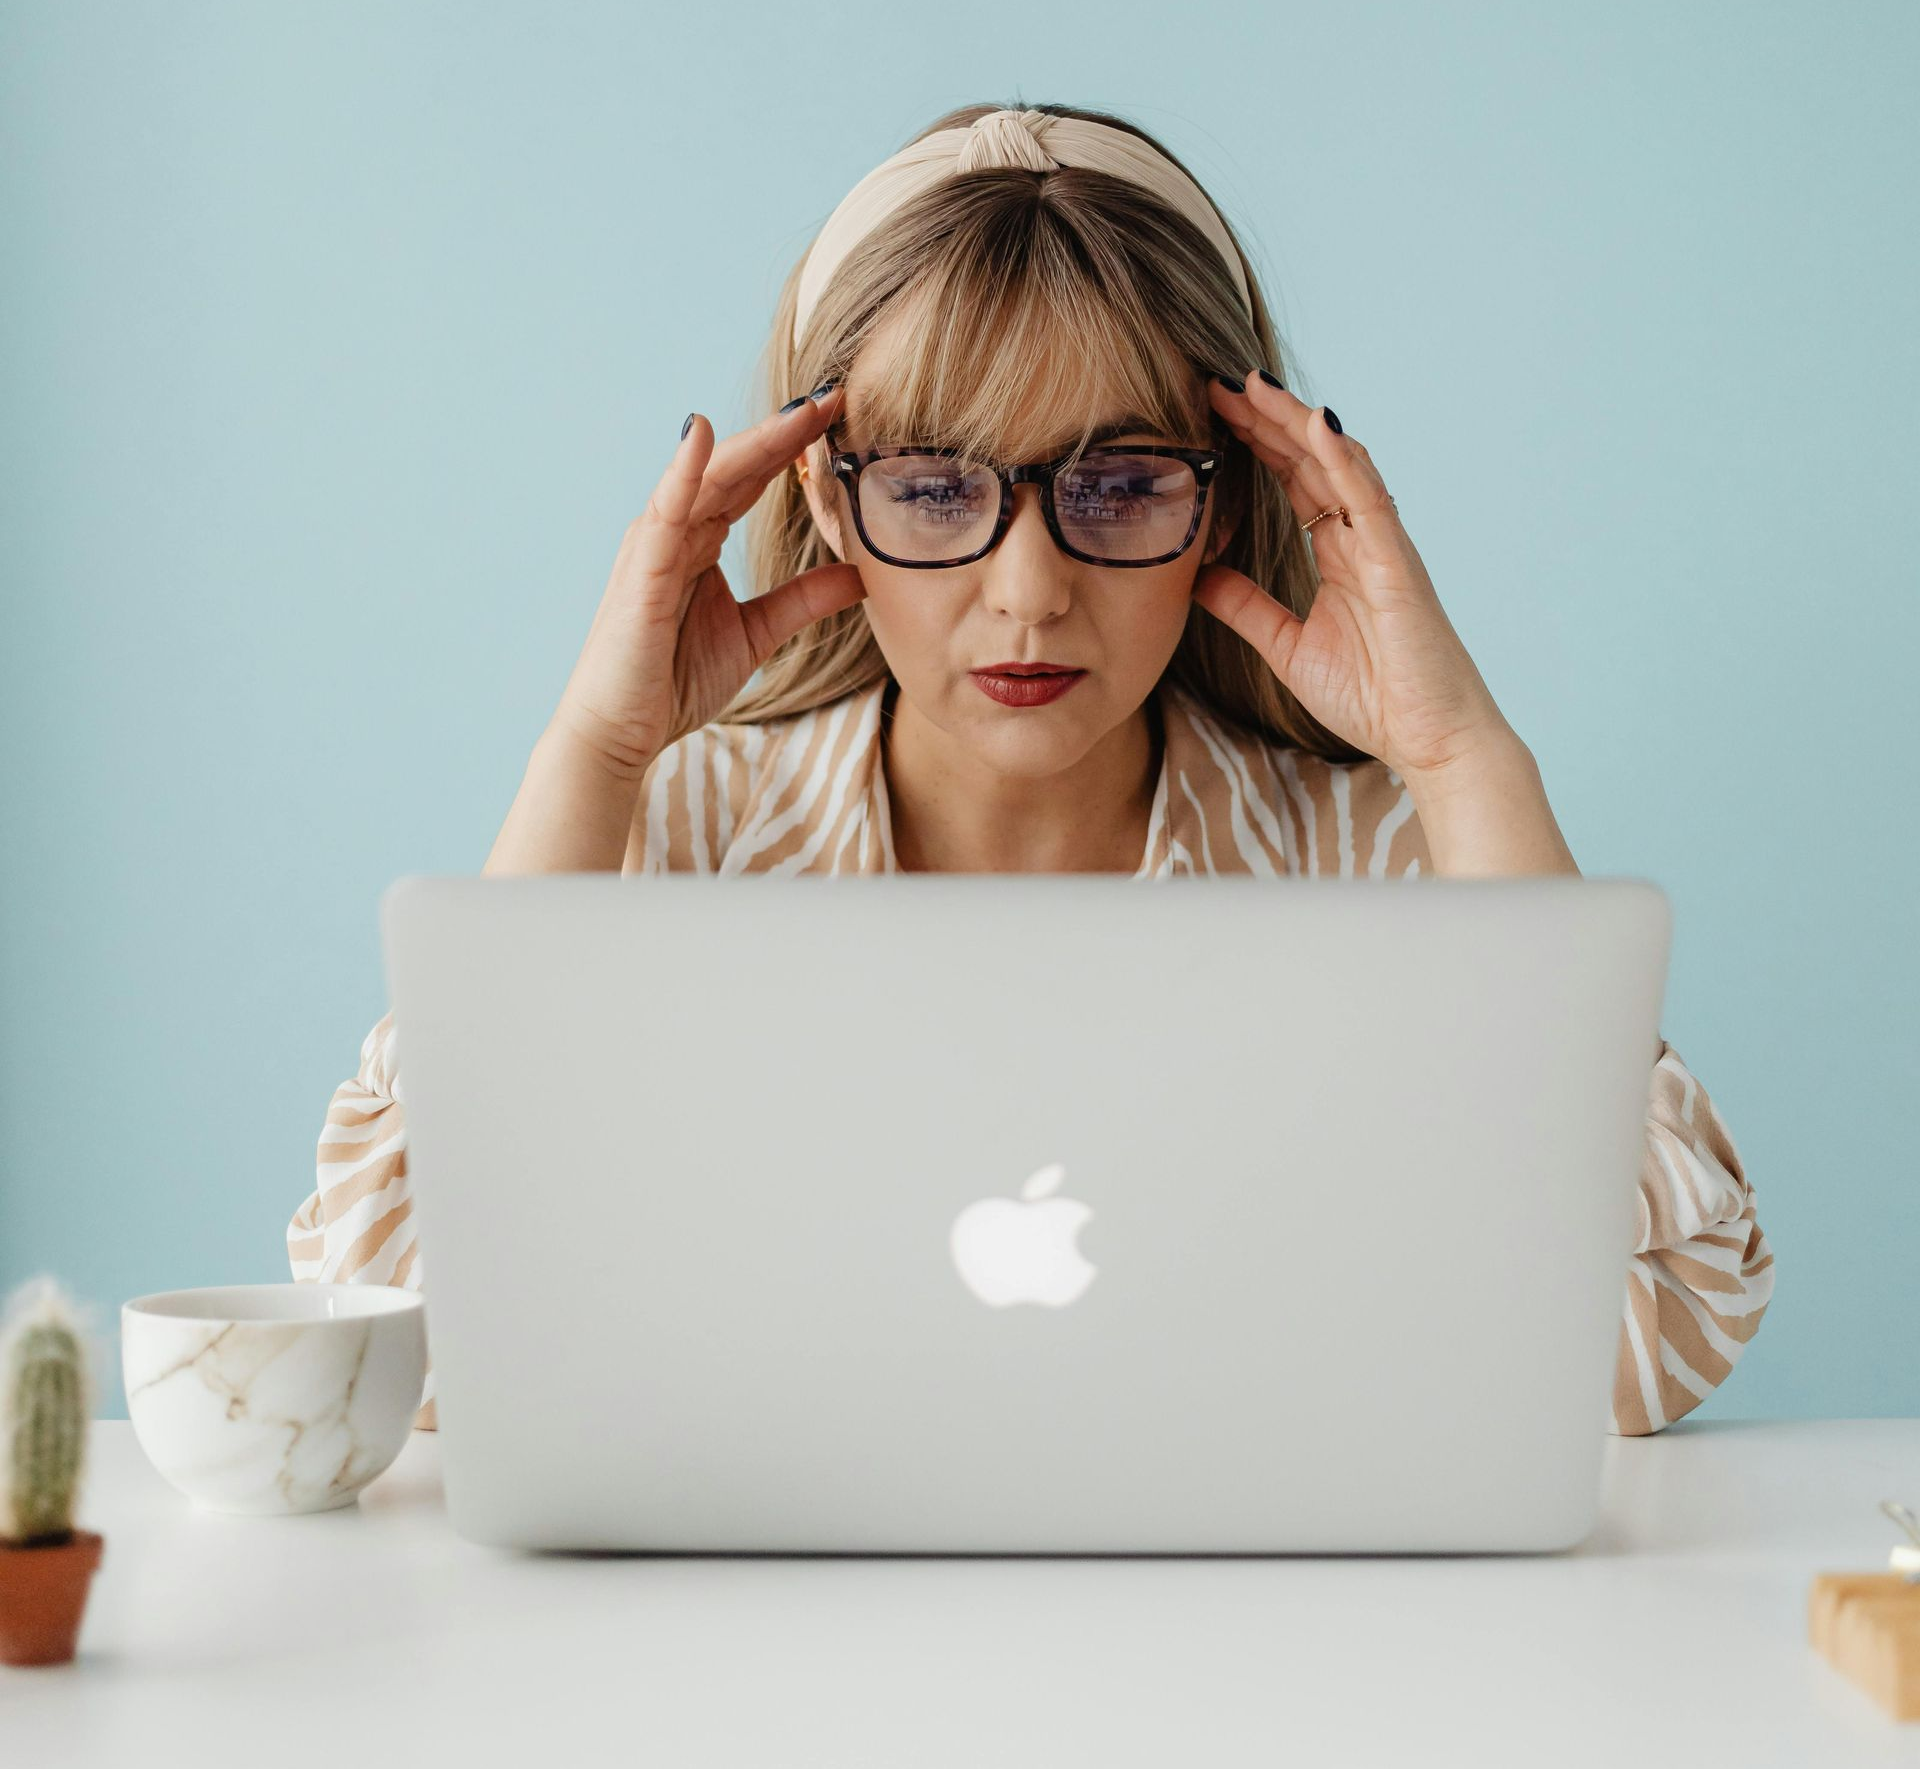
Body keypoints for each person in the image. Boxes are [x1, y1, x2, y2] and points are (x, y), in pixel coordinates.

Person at [289, 101, 1772, 1437]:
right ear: (826, 487)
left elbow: (1659, 1335)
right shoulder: (664, 846)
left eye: (1120, 485)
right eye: (936, 487)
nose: (1028, 594)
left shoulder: (1378, 859)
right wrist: (595, 754)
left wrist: (1460, 758)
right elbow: (396, 1339)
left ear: (1226, 494)